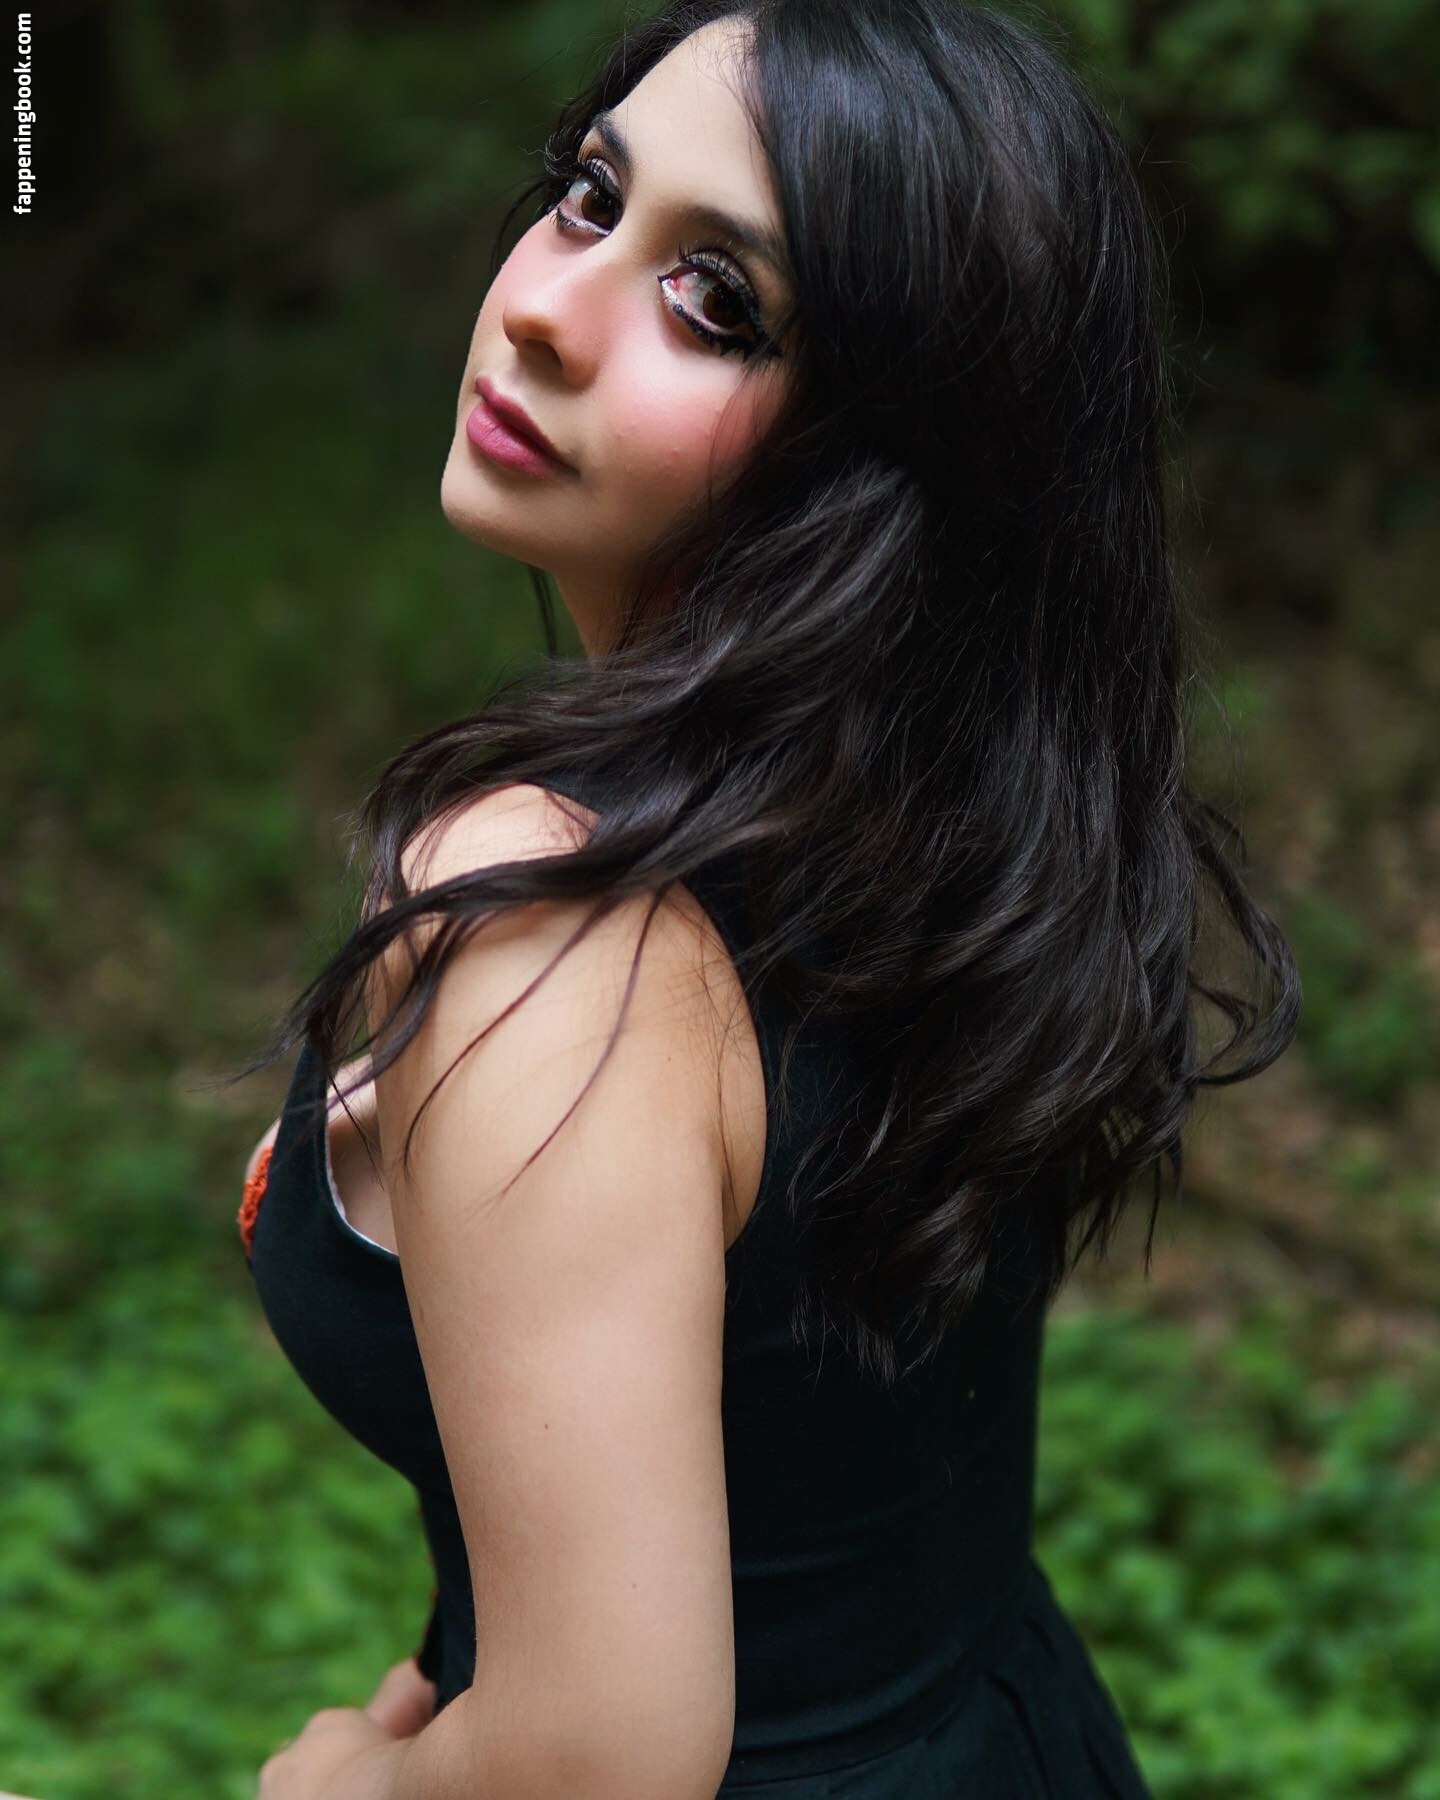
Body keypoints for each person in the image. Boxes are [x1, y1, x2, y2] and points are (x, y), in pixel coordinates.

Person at [236, 2, 1302, 1794]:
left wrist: (343, 1784)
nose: (543, 309)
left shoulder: (546, 930)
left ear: (899, 454)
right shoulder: (959, 826)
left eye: (715, 300)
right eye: (590, 197)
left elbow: (599, 1755)